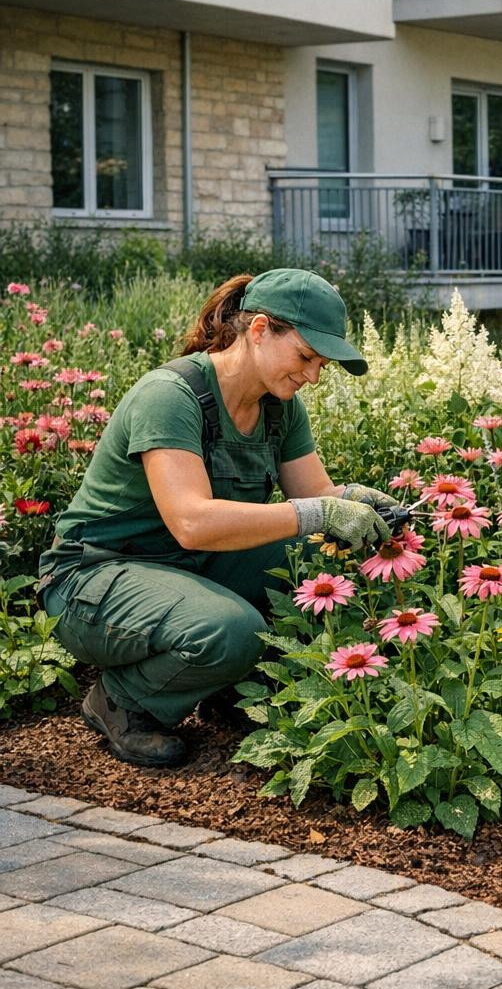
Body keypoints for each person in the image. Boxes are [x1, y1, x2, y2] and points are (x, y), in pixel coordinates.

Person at [37, 269, 403, 767]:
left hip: (189, 569)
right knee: (232, 630)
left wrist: (357, 501)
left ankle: (229, 685)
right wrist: (319, 512)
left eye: (322, 364)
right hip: (94, 581)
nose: (313, 375)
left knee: (325, 559)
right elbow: (193, 521)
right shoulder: (171, 395)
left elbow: (315, 495)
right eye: (305, 356)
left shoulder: (280, 407)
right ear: (258, 330)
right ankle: (123, 699)